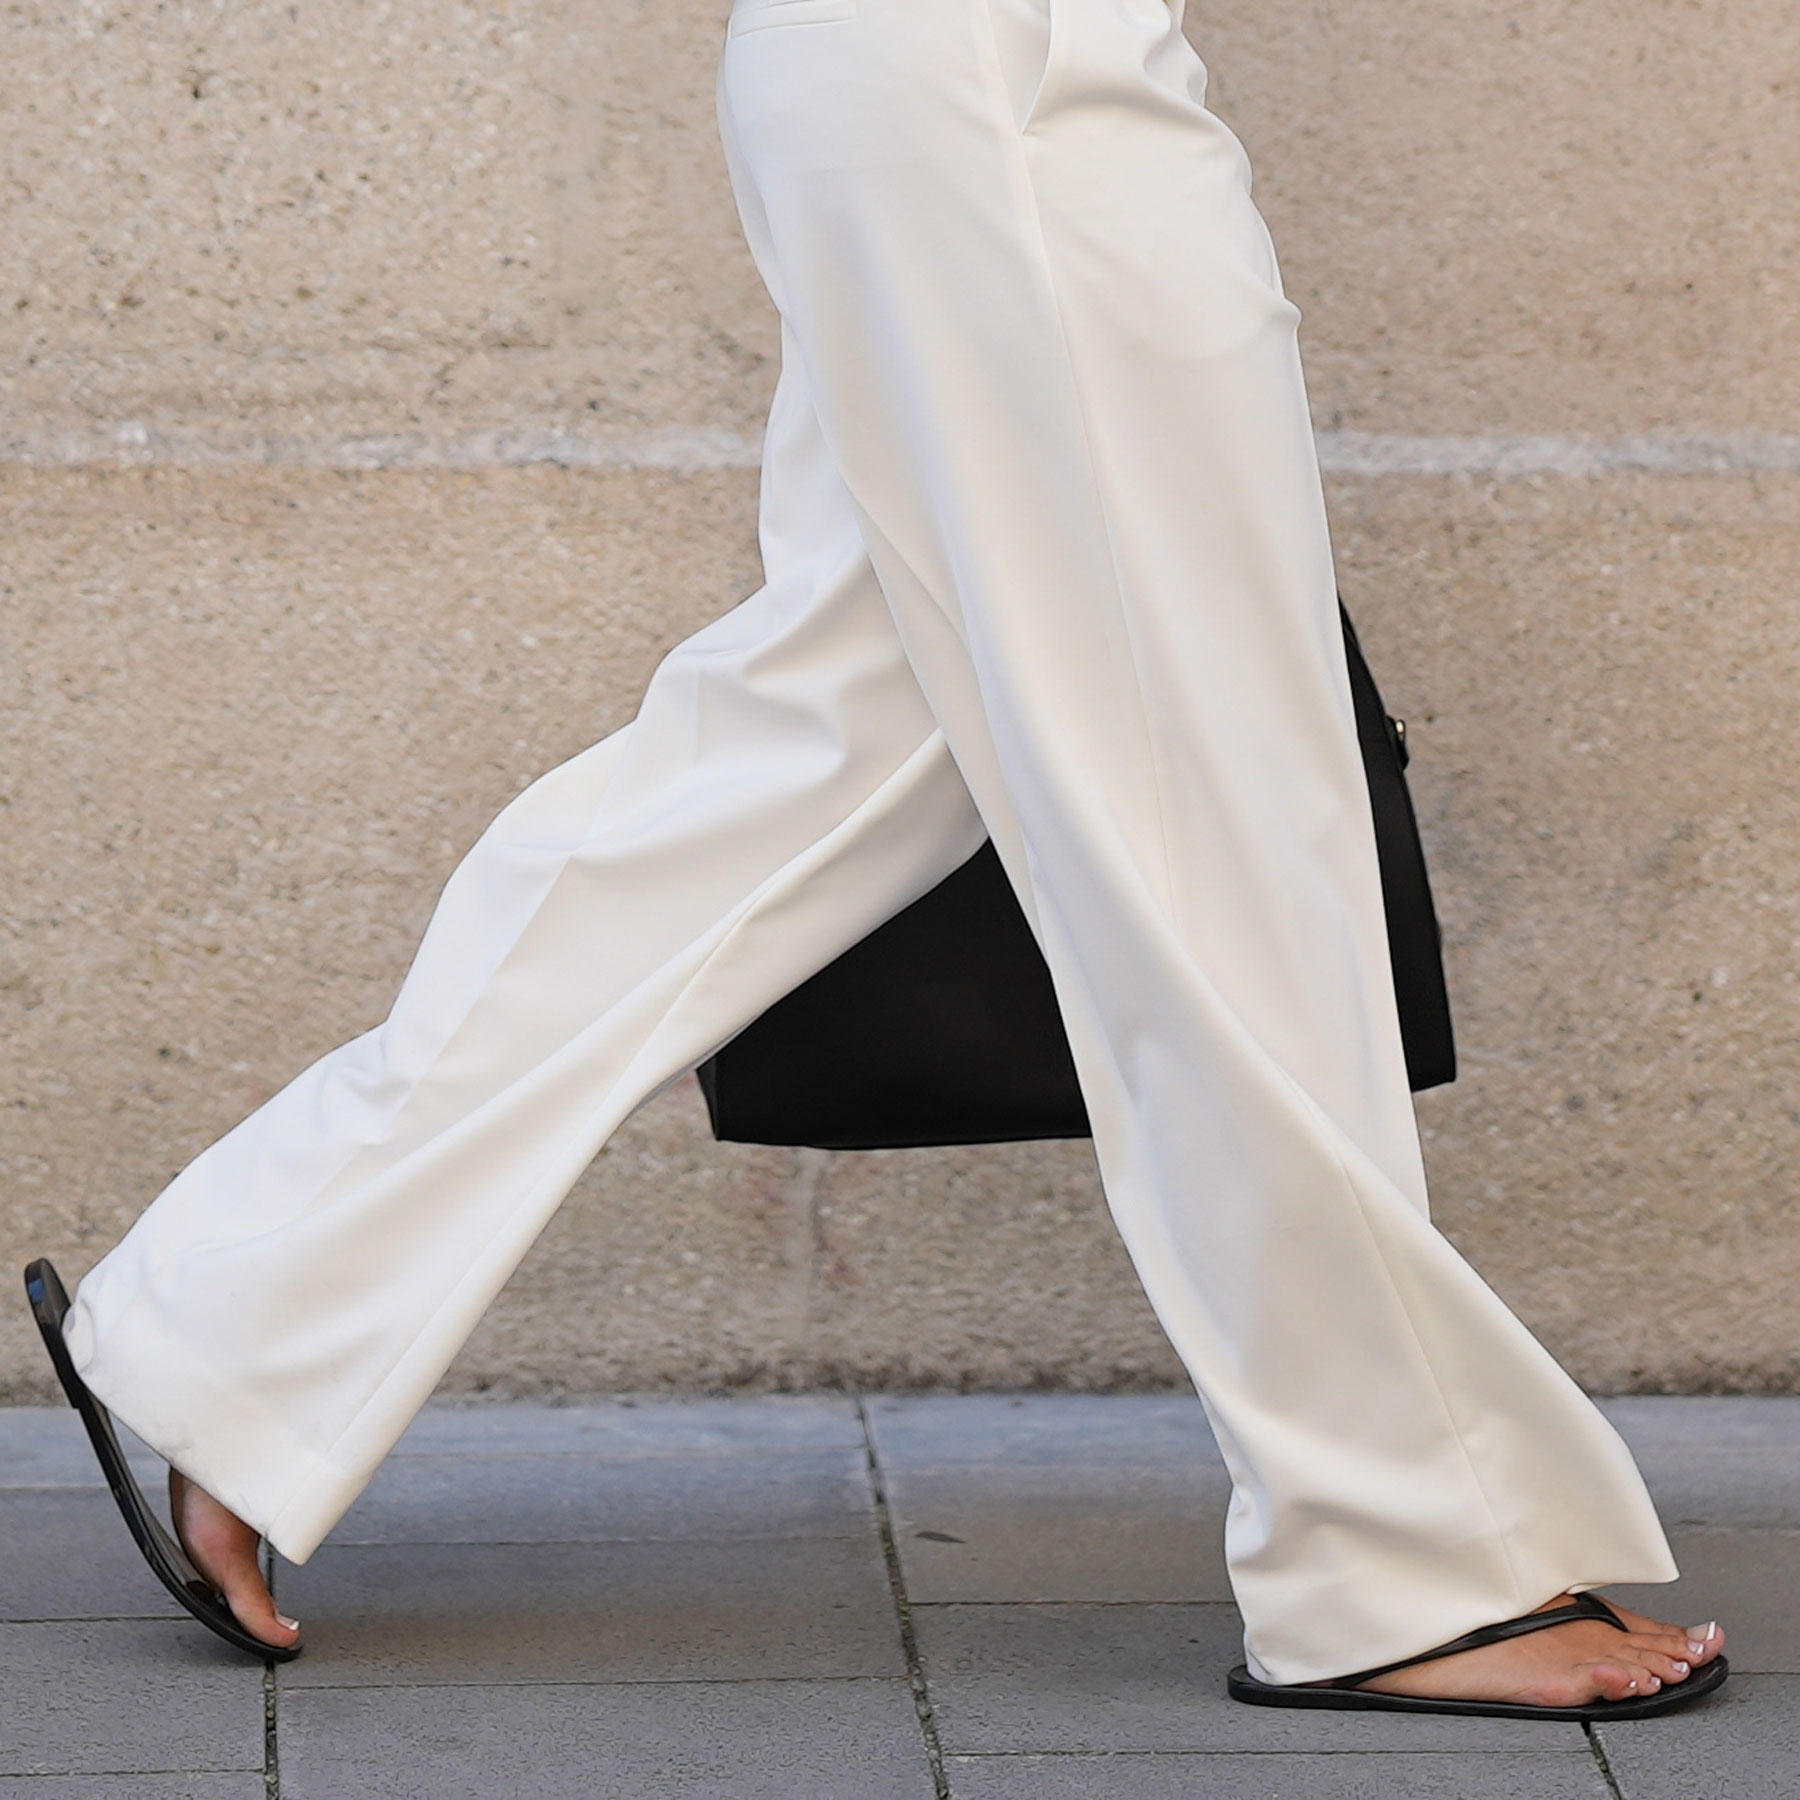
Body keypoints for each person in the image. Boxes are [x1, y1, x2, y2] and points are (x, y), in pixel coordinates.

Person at [39, 0, 1726, 1714]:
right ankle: (1402, 1551)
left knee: (827, 753)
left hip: (960, 68)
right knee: (1205, 804)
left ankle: (237, 1326)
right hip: (996, 73)